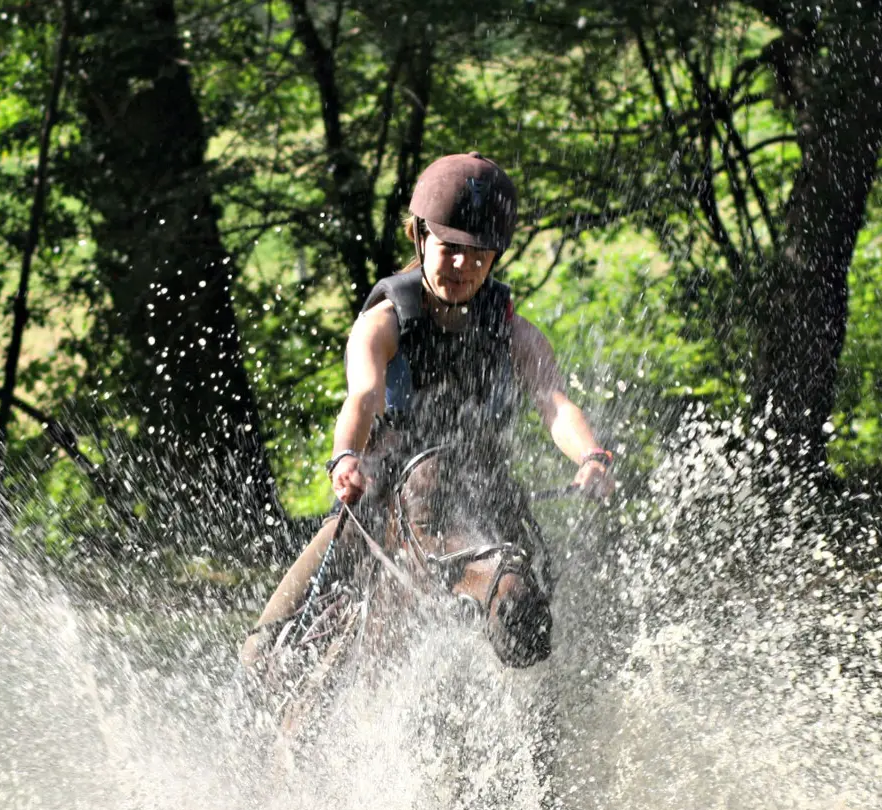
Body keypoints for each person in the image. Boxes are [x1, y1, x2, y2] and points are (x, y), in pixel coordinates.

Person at [242, 152, 615, 663]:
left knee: (531, 587)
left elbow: (553, 404)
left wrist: (592, 456)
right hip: (379, 499)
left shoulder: (515, 332)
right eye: (450, 248)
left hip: (484, 494)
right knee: (259, 653)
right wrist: (344, 459)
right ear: (419, 237)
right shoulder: (383, 324)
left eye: (478, 253)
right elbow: (364, 398)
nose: (463, 265)